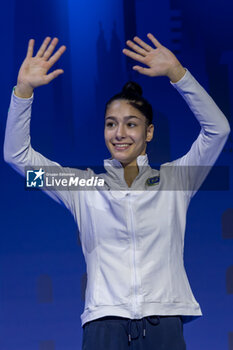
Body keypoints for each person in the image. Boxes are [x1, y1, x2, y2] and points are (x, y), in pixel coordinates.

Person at [4, 34, 230, 350]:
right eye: (111, 124)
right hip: (103, 327)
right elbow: (16, 156)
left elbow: (218, 130)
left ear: (149, 132)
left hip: (163, 323)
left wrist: (178, 73)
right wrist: (23, 91)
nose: (119, 133)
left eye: (131, 124)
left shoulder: (175, 180)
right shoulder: (83, 186)